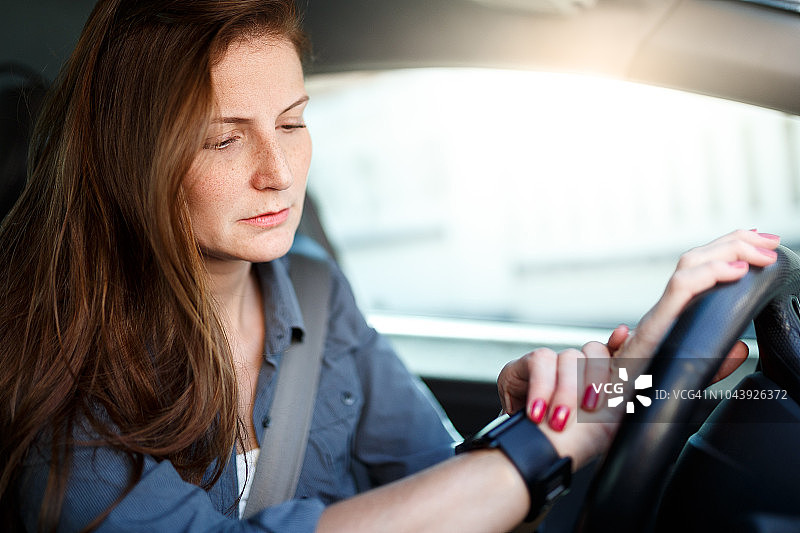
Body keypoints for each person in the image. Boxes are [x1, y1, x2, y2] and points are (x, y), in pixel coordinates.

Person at [0, 0, 781, 531]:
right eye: (224, 137)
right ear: (134, 161)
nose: (279, 170)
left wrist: (627, 375)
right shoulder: (49, 380)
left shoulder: (312, 290)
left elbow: (458, 497)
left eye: (294, 122)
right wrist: (543, 443)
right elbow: (503, 476)